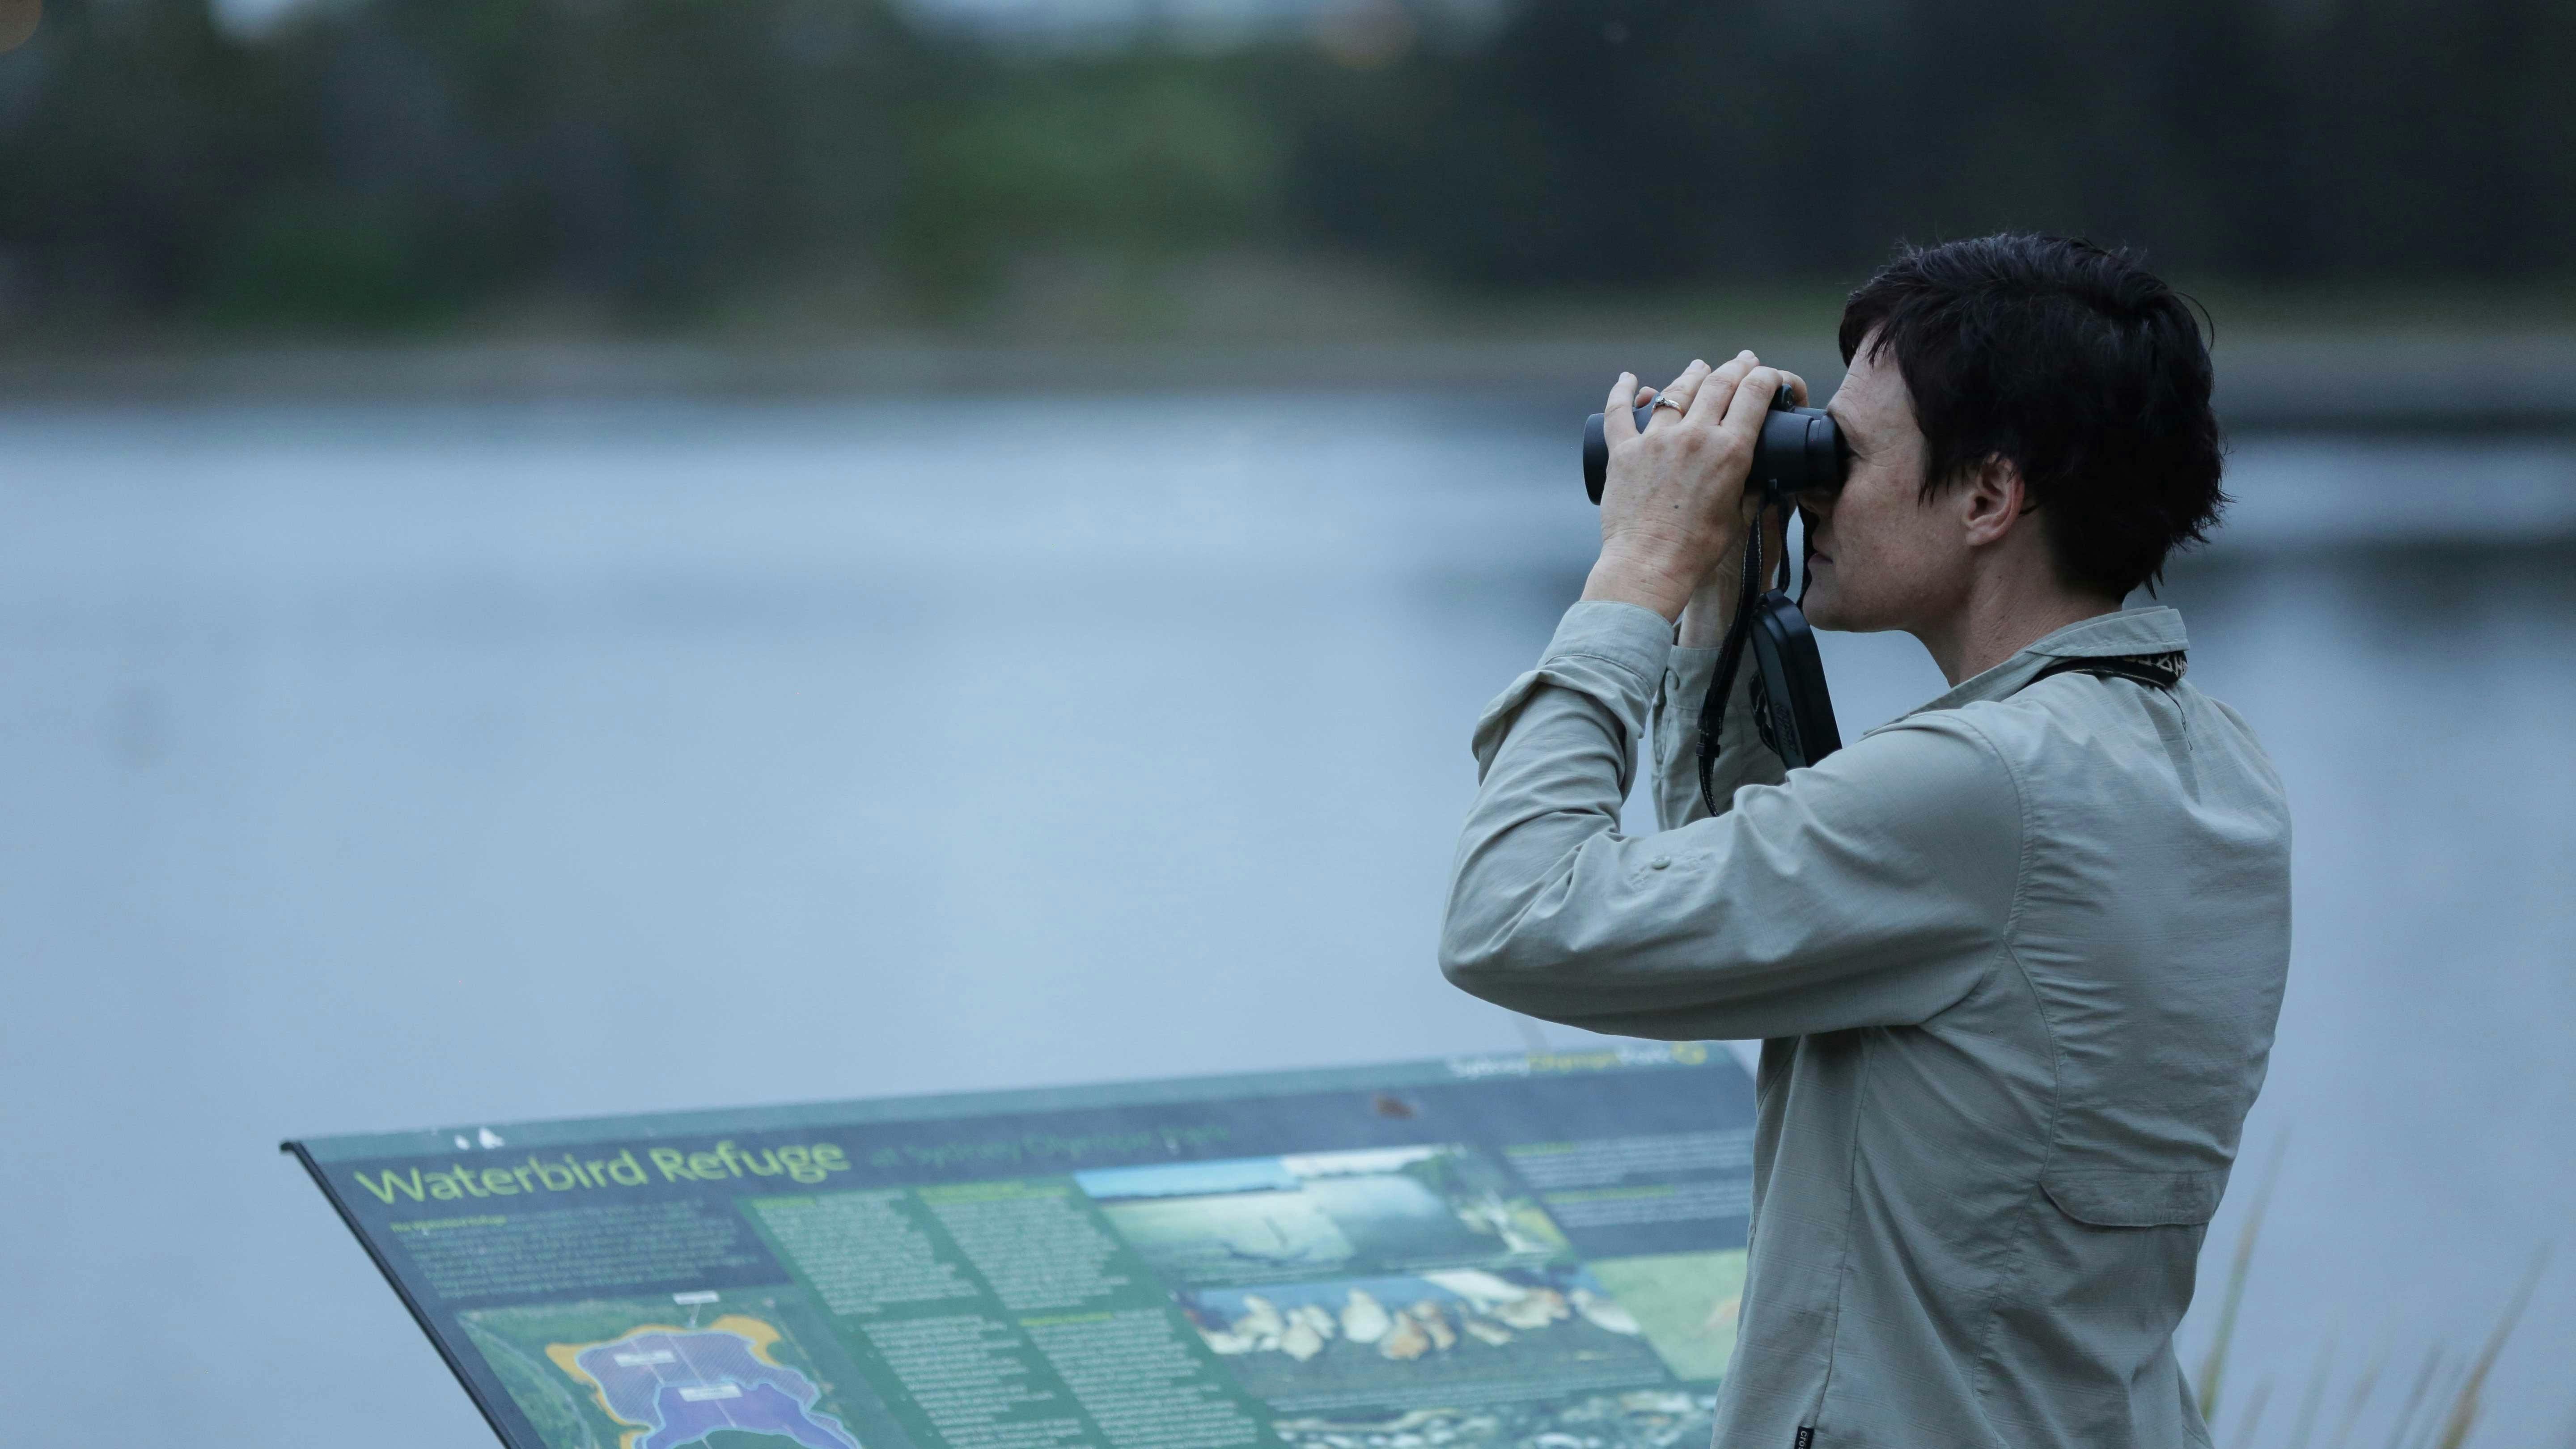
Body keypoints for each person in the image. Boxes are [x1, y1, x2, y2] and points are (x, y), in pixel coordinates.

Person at [1440, 234, 2290, 1449]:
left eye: (1845, 455)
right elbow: (1769, 925)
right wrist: (1721, 607)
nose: (1810, 489)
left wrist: (1636, 572)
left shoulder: (1986, 788)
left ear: (1990, 497)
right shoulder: (2205, 759)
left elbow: (1513, 920)